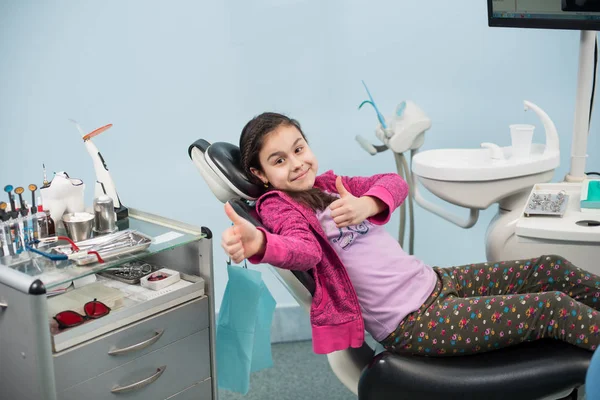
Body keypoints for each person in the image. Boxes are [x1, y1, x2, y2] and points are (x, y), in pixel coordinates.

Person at [221, 111, 600, 356]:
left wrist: (366, 205)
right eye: (279, 160)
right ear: (258, 174)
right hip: (415, 321)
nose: (296, 163)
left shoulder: (329, 183)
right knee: (551, 307)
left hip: (434, 281)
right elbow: (302, 251)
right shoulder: (279, 207)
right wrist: (261, 243)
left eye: (299, 148)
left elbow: (394, 182)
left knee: (549, 268)